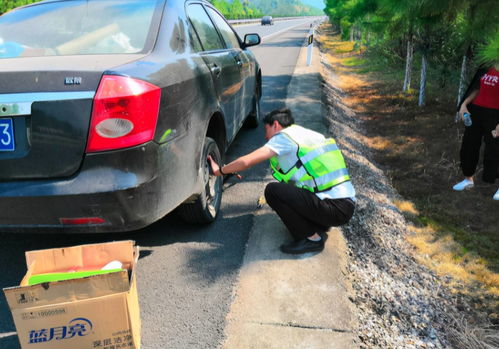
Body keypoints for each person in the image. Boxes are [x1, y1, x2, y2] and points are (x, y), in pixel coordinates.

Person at [208, 108, 356, 254]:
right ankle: (319, 224)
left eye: (266, 130)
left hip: (334, 208)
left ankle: (311, 239)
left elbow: (247, 162)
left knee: (272, 191)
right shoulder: (303, 134)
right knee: (288, 189)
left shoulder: (283, 137)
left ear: (276, 125)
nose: (266, 137)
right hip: (344, 204)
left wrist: (219, 171)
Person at [453, 63, 499, 200]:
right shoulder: (486, 65)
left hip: (496, 115)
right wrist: (464, 105)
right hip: (476, 111)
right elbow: (477, 87)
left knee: (495, 148)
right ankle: (468, 179)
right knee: (469, 145)